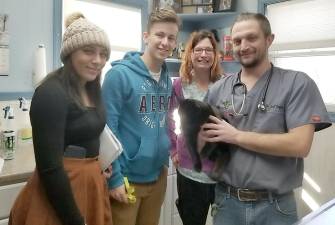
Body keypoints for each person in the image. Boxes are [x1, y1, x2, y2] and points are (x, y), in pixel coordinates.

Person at [199, 12, 332, 225]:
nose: (243, 46)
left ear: (269, 40)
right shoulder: (218, 90)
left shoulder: (297, 84)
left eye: (252, 38)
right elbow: (206, 144)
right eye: (237, 41)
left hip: (275, 207)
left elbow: (300, 145)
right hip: (226, 203)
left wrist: (236, 136)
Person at [9, 12, 113, 225]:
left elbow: (90, 132)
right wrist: (75, 220)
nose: (97, 60)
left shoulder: (92, 88)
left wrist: (99, 163)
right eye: (88, 51)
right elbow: (50, 168)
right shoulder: (51, 93)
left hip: (90, 185)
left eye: (103, 54)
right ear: (70, 53)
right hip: (60, 198)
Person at [101, 8, 180, 225]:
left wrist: (165, 157)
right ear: (146, 36)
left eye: (171, 37)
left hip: (157, 175)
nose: (165, 42)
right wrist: (115, 179)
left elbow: (165, 120)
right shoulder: (119, 75)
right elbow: (107, 129)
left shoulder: (166, 78)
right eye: (159, 35)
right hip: (127, 178)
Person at [168, 30, 222, 225]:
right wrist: (174, 148)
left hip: (221, 174)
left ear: (215, 55)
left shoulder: (226, 84)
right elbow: (170, 118)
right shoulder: (180, 86)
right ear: (190, 53)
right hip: (189, 172)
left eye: (209, 50)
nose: (203, 55)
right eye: (198, 49)